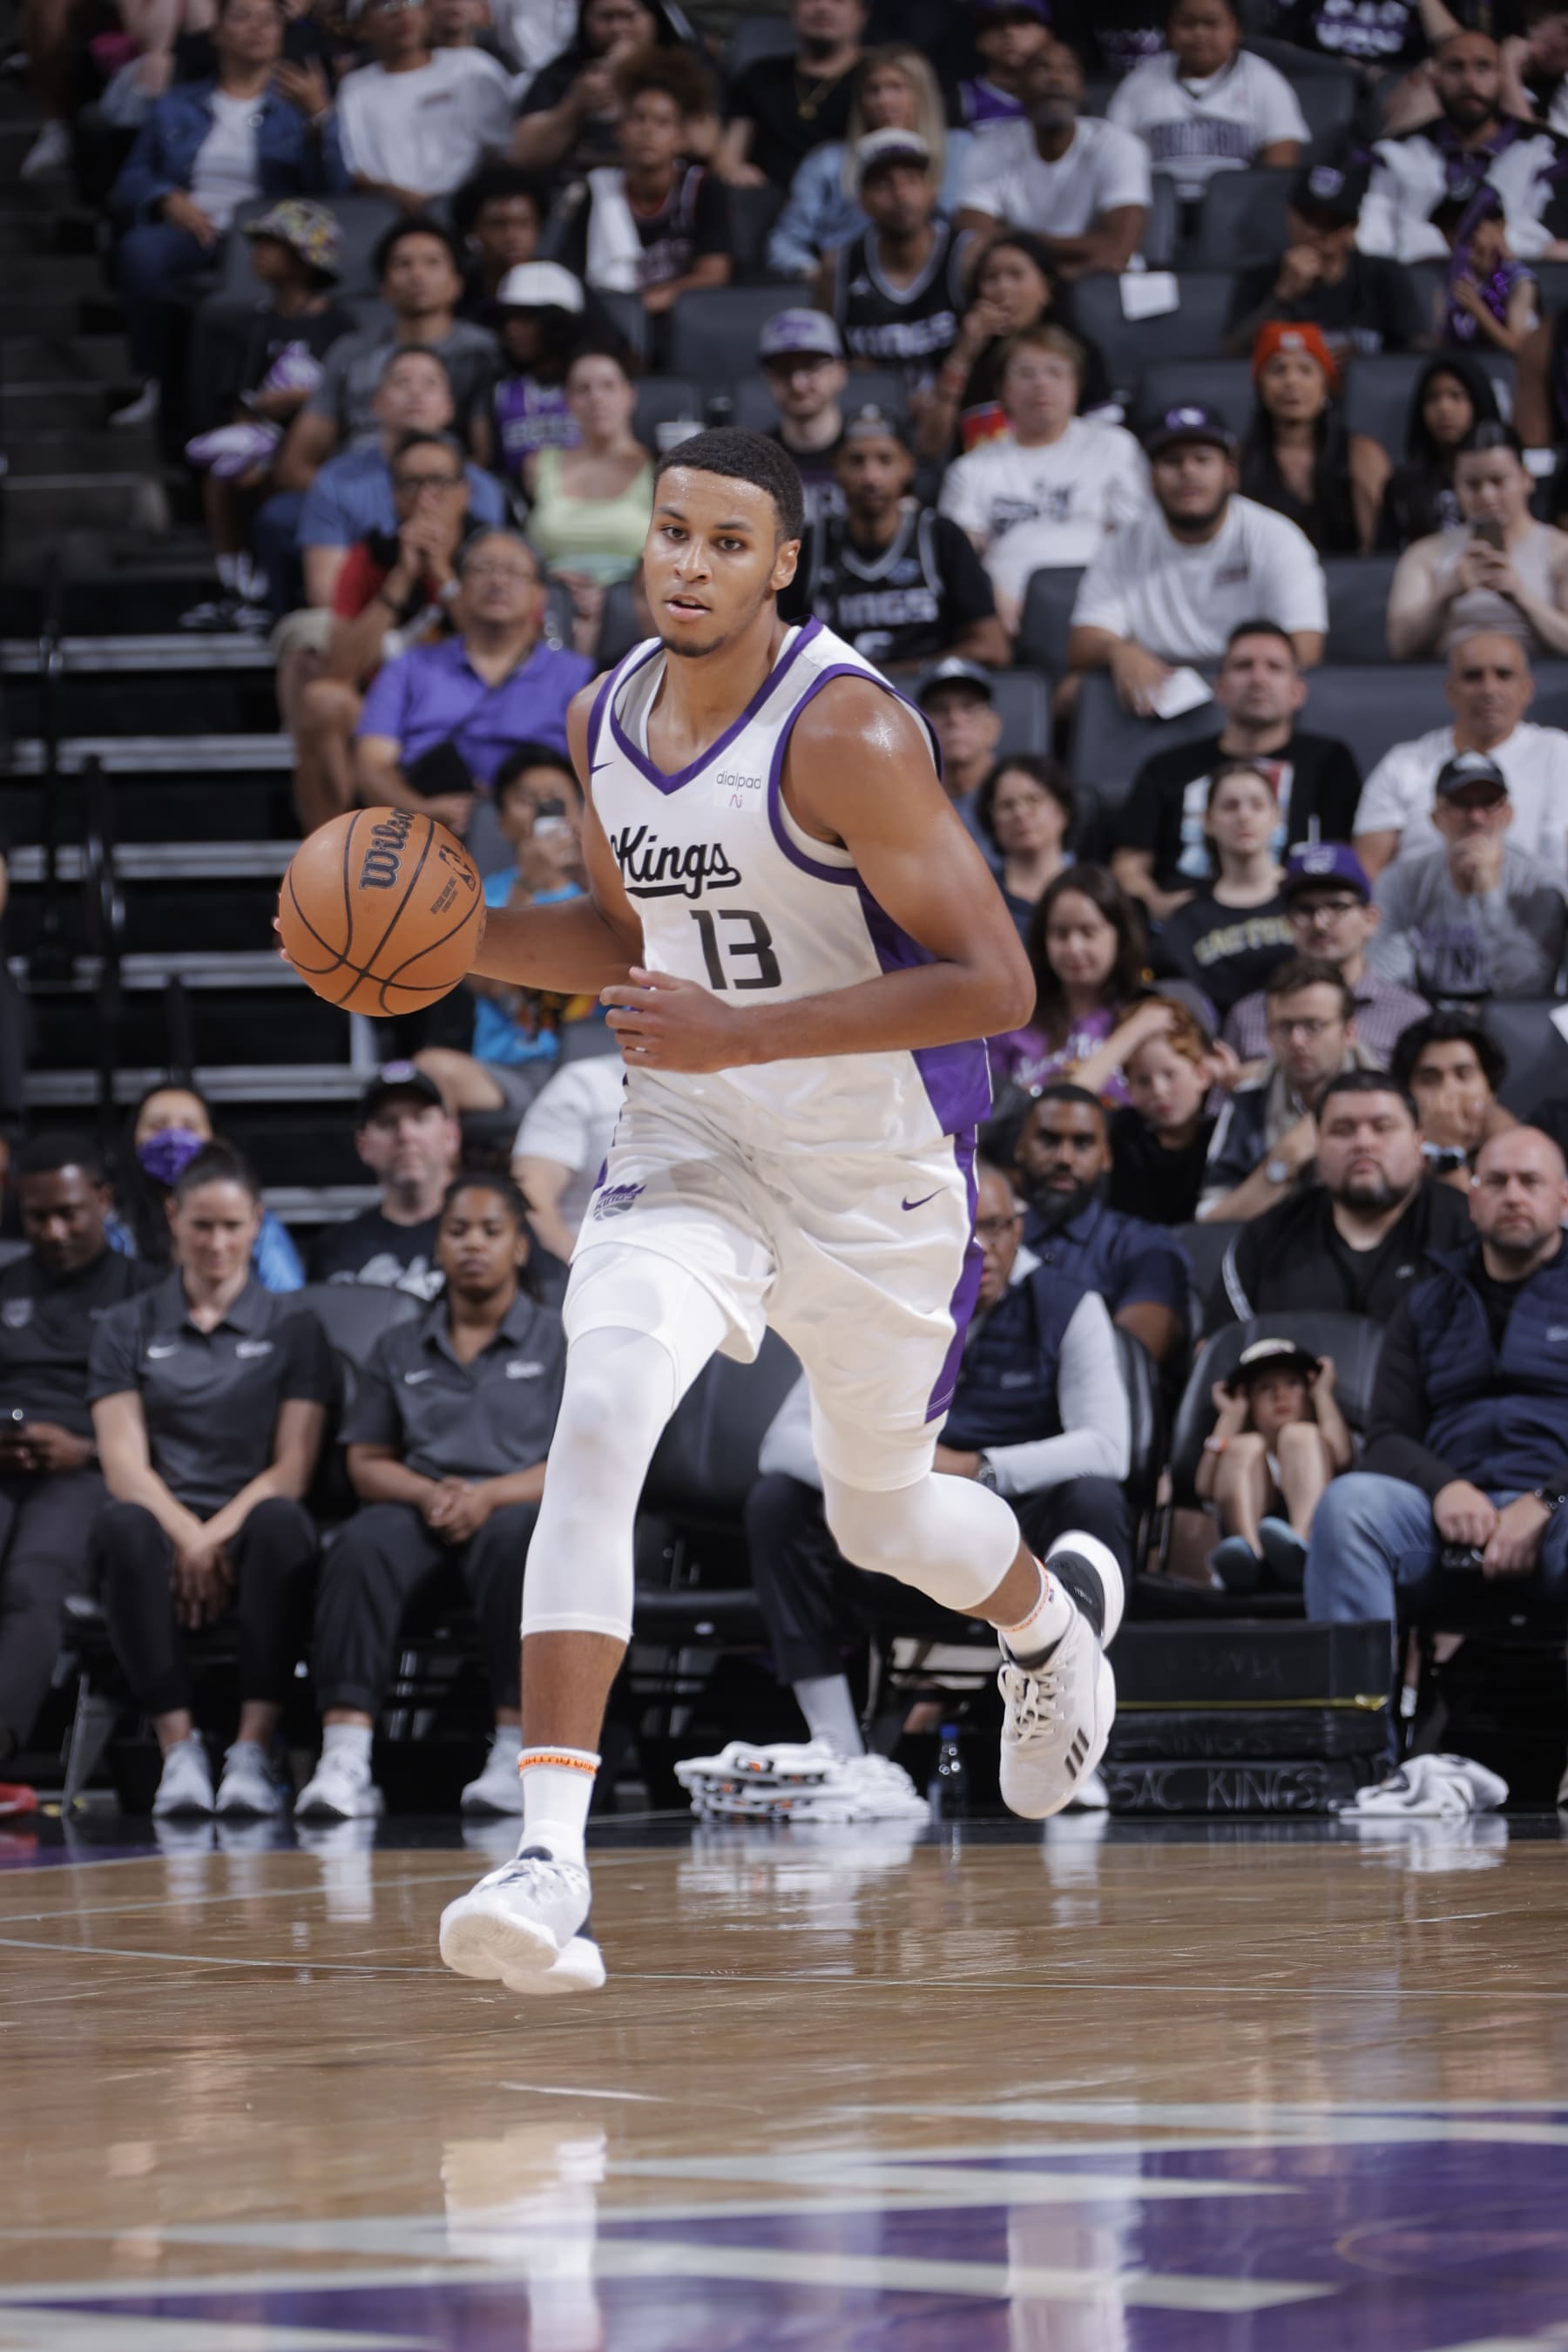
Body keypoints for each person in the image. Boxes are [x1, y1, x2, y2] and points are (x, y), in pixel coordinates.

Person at [429, 424, 1120, 2002]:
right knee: (601, 1409)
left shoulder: (851, 734)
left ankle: (1047, 1624)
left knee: (881, 1519)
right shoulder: (602, 713)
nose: (687, 562)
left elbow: (999, 986)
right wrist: (449, 938)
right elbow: (621, 933)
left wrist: (748, 1030)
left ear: (784, 563)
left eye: (727, 542)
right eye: (670, 532)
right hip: (691, 1145)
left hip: (875, 1179)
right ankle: (548, 1866)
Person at [746, 1159, 1131, 1767]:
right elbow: (781, 1443)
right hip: (898, 1516)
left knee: (1096, 1498)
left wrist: (981, 1469)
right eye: (966, 1229)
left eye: (999, 1227)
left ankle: (1073, 1717)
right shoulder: (882, 1305)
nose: (985, 1247)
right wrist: (901, 1475)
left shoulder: (1068, 1305)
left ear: (1020, 1229)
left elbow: (1108, 1446)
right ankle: (840, 1753)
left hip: (1015, 1519)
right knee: (778, 1503)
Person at [294, 1174, 566, 1821]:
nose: (473, 1244)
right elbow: (365, 1464)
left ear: (520, 1248)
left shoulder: (559, 1340)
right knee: (359, 1544)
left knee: (517, 1540)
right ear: (438, 1247)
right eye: (457, 1230)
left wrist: (489, 1495)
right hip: (424, 1507)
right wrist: (431, 1493)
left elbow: (579, 1466)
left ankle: (513, 1751)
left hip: (513, 1508)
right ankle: (346, 1756)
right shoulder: (398, 1345)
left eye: (491, 1231)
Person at [1304, 1125, 1568, 1765]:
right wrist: (1444, 1486)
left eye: (1530, 1182)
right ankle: (1358, 1760)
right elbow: (1388, 1436)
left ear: (1563, 1199)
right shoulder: (1426, 1302)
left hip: (1561, 1516)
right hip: (1450, 1515)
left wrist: (1546, 1500)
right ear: (1471, 1199)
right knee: (1348, 1507)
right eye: (1496, 1181)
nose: (1513, 1195)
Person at [88, 1145, 332, 1819]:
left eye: (232, 1226)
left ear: (257, 1222)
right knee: (120, 1524)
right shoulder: (124, 1326)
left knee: (285, 1521)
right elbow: (123, 1463)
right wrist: (186, 1536)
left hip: (247, 1524)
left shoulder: (296, 1327)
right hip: (163, 1520)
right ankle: (179, 1751)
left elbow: (292, 1466)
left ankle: (253, 1749)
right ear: (174, 1217)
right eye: (202, 1225)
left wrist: (211, 1539)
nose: (217, 1242)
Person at [0, 1138, 159, 1782]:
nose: (55, 1231)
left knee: (33, 1580)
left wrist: (87, 1447)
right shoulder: (7, 1286)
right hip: (8, 1461)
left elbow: (173, 1414)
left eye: (70, 1213)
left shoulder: (146, 1293)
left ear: (103, 1200)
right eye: (38, 1217)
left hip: (93, 1466)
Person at [109, 0, 347, 429]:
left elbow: (331, 189)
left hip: (264, 233)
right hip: (192, 227)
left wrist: (318, 119)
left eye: (270, 18)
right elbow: (131, 177)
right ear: (216, 33)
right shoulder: (178, 103)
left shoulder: (299, 101)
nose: (259, 27)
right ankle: (156, 383)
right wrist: (166, 197)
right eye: (242, 16)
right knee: (140, 251)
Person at [1068, 407, 1328, 717]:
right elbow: (1083, 641)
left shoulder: (1275, 535)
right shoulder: (1124, 543)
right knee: (1072, 691)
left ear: (1230, 474)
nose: (1187, 472)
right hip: (1156, 683)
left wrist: (1231, 679)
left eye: (1203, 460)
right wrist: (1118, 651)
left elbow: (1305, 647)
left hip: (1245, 684)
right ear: (1150, 478)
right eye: (1172, 462)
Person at [291, 427, 484, 835]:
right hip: (388, 710)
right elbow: (339, 668)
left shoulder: (490, 554)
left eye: (439, 482)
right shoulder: (370, 556)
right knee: (322, 699)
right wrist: (400, 580)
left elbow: (496, 647)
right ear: (394, 496)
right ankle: (333, 861)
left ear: (465, 492)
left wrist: (442, 573)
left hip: (474, 702)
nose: (425, 497)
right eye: (411, 484)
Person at [180, 199, 355, 633]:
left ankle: (271, 587)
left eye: (270, 244)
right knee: (224, 475)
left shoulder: (339, 327)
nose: (256, 254)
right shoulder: (253, 326)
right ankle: (236, 585)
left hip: (319, 449)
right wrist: (253, 427)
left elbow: (351, 399)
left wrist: (306, 399)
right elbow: (241, 401)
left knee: (276, 479)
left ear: (304, 256)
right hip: (263, 440)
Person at [1113, 620, 1362, 923]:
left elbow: (1349, 862)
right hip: (1188, 926)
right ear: (1220, 688)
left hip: (1294, 924)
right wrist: (1163, 909)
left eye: (1274, 667)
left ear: (1298, 692)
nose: (1258, 679)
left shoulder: (1329, 760)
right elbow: (1128, 868)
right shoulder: (1167, 767)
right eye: (1244, 666)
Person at [355, 529, 592, 836]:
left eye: (515, 572)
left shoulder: (579, 676)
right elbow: (372, 764)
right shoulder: (411, 666)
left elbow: (603, 775)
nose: (498, 581)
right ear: (459, 588)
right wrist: (421, 812)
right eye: (483, 569)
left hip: (541, 833)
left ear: (540, 595)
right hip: (426, 829)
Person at [1208, 1066, 1473, 1328]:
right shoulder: (1267, 1238)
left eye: (1382, 1127)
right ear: (1318, 1144)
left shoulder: (1468, 1231)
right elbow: (1219, 1354)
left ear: (1418, 1142)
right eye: (1343, 1130)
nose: (1363, 1143)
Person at [414, 745, 594, 1120]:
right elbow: (489, 985)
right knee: (431, 1068)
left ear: (580, 813)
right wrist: (528, 883)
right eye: (527, 800)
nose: (542, 811)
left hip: (596, 1065)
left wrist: (589, 875)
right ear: (501, 822)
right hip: (510, 1074)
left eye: (556, 800)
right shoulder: (473, 898)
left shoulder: (605, 892)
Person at [936, 327, 1148, 633]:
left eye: (1055, 372)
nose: (1041, 384)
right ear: (1002, 389)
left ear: (1076, 385)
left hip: (1104, 613)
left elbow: (1135, 541)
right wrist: (992, 606)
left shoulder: (1113, 446)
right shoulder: (972, 468)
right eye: (1025, 373)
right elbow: (959, 561)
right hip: (1004, 619)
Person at [273, 220, 499, 500]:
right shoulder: (350, 352)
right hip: (351, 491)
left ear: (457, 284)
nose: (417, 275)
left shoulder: (482, 352)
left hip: (439, 494)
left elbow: (486, 459)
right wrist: (350, 499)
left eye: (432, 262)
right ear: (384, 288)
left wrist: (423, 495)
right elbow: (295, 465)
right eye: (403, 264)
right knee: (280, 517)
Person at [278, 347, 508, 621]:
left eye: (429, 383)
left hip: (457, 615)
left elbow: (494, 586)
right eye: (401, 382)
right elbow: (326, 594)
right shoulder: (335, 480)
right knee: (311, 627)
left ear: (449, 408)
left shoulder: (481, 486)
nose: (416, 393)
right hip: (361, 616)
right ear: (377, 403)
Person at [782, 403, 1008, 669]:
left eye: (885, 460)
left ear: (908, 467)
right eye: (856, 461)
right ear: (836, 468)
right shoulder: (810, 545)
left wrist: (895, 679)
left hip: (926, 699)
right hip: (836, 701)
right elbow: (777, 648)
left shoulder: (940, 537)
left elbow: (993, 648)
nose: (871, 476)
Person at [1352, 632, 1568, 885]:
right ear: (1450, 689)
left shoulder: (1560, 753)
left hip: (1540, 916)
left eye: (1504, 674)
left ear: (1527, 689)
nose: (1489, 689)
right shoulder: (1402, 764)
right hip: (1422, 919)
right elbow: (1365, 877)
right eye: (1473, 676)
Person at [1010, 1085, 1193, 1365]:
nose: (1064, 1158)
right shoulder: (986, 1238)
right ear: (1019, 1147)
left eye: (1082, 1143)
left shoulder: (1147, 1246)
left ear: (1106, 1157)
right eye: (1048, 1140)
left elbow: (1131, 1359)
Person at [1359, 30, 1568, 265]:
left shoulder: (1551, 153)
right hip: (1411, 289)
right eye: (1456, 68)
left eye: (1483, 68)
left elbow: (1551, 240)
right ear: (1435, 77)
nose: (1469, 81)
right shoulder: (1393, 153)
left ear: (1502, 77)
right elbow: (1370, 236)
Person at [1370, 754, 1568, 1000]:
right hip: (1422, 1018)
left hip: (1514, 1021)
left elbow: (1529, 987)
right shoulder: (1400, 881)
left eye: (1489, 803)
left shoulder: (1541, 882)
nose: (1475, 817)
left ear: (1508, 814)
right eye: (1461, 804)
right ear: (1436, 817)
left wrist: (1490, 894)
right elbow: (1379, 977)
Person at [767, 45, 971, 280]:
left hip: (940, 283)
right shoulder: (827, 161)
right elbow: (785, 242)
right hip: (851, 284)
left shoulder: (961, 149)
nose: (884, 100)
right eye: (873, 90)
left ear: (922, 93)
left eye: (897, 87)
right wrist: (820, 279)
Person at [955, 37, 1151, 276]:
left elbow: (1117, 249)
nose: (1056, 79)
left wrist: (1016, 241)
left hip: (1098, 282)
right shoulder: (989, 148)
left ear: (1082, 88)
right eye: (1042, 68)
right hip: (1017, 283)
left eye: (1067, 70)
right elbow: (974, 243)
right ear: (1019, 86)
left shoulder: (1118, 146)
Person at [558, 46, 731, 315]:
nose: (648, 131)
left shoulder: (702, 188)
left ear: (680, 138)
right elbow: (571, 276)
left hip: (681, 321)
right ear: (619, 131)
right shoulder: (598, 191)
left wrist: (641, 305)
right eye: (638, 119)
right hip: (610, 319)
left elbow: (713, 275)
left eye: (662, 122)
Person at [1198, 956, 1373, 1219]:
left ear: (1349, 1032)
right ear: (1268, 1034)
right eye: (1284, 1027)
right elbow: (1210, 1220)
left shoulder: (1389, 1097)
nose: (1297, 1041)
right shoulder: (1250, 1096)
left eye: (1313, 1026)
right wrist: (1283, 1161)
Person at [1224, 842, 1429, 1066]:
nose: (1319, 924)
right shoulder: (1248, 1016)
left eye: (1337, 907)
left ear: (1371, 919)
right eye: (1304, 909)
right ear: (1288, 923)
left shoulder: (1409, 1016)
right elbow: (1225, 1101)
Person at [917, 229, 1113, 462]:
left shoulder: (1080, 352)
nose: (1003, 288)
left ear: (1047, 289)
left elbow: (1107, 438)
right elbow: (931, 446)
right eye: (991, 278)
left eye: (1016, 275)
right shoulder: (960, 354)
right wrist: (963, 352)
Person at [1105, 0, 1308, 217]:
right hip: (1155, 210)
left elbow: (1281, 161)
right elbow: (1113, 153)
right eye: (1187, 23)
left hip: (1235, 210)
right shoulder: (1141, 81)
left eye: (1210, 23)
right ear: (1169, 29)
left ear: (1236, 29)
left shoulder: (1264, 79)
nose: (1198, 33)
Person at [1388, 421, 1568, 664]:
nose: (1486, 495)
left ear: (1527, 479)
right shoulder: (1424, 554)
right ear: (1456, 485)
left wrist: (1522, 597)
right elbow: (1400, 646)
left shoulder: (1560, 551)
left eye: (1498, 481)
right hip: (1445, 685)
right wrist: (1447, 593)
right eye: (1472, 484)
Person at [990, 864, 1171, 1105]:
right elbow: (992, 1113)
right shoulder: (1013, 1020)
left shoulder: (1150, 1013)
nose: (1074, 948)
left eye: (1088, 932)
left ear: (1120, 935)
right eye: (1061, 933)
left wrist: (1137, 1028)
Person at [1222, 155, 1429, 364]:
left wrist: (1365, 363)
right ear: (1290, 215)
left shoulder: (1383, 276)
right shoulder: (1260, 278)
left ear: (1352, 228)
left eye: (1331, 223)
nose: (1314, 233)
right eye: (1308, 217)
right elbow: (1231, 355)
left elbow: (1416, 355)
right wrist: (1280, 297)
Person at [821, 130, 976, 404]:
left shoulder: (966, 256)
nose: (900, 194)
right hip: (868, 420)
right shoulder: (837, 267)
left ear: (932, 191)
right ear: (862, 200)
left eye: (912, 181)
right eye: (883, 184)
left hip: (955, 412)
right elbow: (820, 359)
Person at [110, 1082, 305, 1290]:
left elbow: (288, 1297)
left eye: (189, 1127)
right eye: (158, 1127)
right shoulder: (114, 1224)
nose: (174, 1137)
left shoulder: (257, 1223)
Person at [523, 348, 654, 654]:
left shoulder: (661, 466)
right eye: (583, 389)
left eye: (608, 386)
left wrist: (612, 593)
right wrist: (545, 576)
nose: (596, 398)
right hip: (553, 599)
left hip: (635, 602)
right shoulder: (537, 465)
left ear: (629, 394)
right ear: (568, 400)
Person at [1197, 1336, 1351, 1588]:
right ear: (1249, 1400)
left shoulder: (1315, 1438)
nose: (1281, 1395)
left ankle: (1299, 1547)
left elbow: (1343, 1456)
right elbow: (1204, 1487)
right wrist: (1231, 1414)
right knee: (1245, 1446)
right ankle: (1249, 1556)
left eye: (1292, 1383)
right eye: (1265, 1388)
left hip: (1317, 1556)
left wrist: (1322, 1393)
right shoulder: (1243, 1443)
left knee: (1299, 1435)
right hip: (1252, 1557)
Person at [334, 0, 511, 206]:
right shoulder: (354, 88)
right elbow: (354, 167)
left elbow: (504, 151)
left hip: (471, 209)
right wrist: (397, 195)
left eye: (412, 0)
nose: (401, 12)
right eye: (384, 4)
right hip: (389, 215)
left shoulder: (473, 66)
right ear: (359, 27)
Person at [1154, 761, 1294, 1018]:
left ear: (1276, 816)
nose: (1244, 816)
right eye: (1230, 806)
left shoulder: (1305, 898)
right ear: (1208, 821)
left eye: (1257, 805)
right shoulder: (1188, 920)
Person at [308, 1064, 461, 1295]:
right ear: (363, 1145)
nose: (405, 1135)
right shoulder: (334, 1248)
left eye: (420, 1118)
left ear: (451, 1135)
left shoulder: (491, 1233)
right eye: (387, 1123)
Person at [1239, 321, 1387, 557]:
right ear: (1259, 386)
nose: (1292, 382)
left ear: (1326, 386)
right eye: (1278, 370)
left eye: (1306, 370)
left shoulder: (1361, 454)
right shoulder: (1239, 460)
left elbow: (1377, 549)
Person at [716, 0, 867, 192]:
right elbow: (729, 155)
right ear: (792, 11)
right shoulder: (760, 75)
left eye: (838, 1)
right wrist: (734, 171)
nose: (823, 7)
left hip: (851, 200)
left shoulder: (878, 79)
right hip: (769, 204)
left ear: (860, 14)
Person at [510, 0, 667, 179]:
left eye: (629, 16)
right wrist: (574, 105)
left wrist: (635, 73)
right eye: (606, 17)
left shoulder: (683, 67)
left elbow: (702, 139)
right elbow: (523, 155)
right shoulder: (561, 73)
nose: (617, 28)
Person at [1107, 997, 1221, 1227]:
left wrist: (1237, 1080)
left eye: (1170, 1074)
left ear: (1203, 1074)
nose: (1158, 1091)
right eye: (1143, 1081)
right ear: (1128, 1087)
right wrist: (1134, 1031)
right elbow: (1069, 1096)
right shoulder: (1122, 1132)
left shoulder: (1223, 1134)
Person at [1375, 353, 1500, 553]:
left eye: (1456, 396)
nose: (1443, 408)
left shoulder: (1504, 480)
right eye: (1432, 398)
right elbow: (1382, 560)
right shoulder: (1401, 485)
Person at [511, 1053, 628, 1264]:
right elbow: (531, 1194)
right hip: (595, 1262)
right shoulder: (585, 1083)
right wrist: (582, 1268)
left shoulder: (706, 1091)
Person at [479, 262, 589, 486]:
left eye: (526, 318)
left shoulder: (595, 387)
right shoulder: (500, 392)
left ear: (560, 323)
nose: (511, 330)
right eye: (507, 319)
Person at [1391, 1005, 1518, 1185]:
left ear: (1490, 1088)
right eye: (1429, 1079)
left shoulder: (1521, 1146)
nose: (1449, 1090)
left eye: (1464, 1075)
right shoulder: (1393, 1162)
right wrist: (1445, 1152)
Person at [756, 308, 848, 531]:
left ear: (840, 372)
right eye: (783, 370)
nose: (797, 384)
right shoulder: (757, 460)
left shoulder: (871, 452)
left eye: (810, 366)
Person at [972, 754, 1075, 937]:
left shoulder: (1096, 891)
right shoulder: (977, 901)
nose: (1020, 813)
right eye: (1006, 805)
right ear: (991, 822)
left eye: (1033, 799)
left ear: (1063, 810)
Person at [1440, 185, 1538, 356]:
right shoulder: (1449, 278)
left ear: (1499, 226)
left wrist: (1476, 308)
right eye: (1455, 228)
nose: (1461, 237)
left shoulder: (1519, 281)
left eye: (1473, 228)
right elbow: (1438, 344)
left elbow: (1519, 348)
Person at [451, 163, 546, 314]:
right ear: (472, 232)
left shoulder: (564, 285)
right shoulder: (455, 292)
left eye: (523, 224)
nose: (512, 236)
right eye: (498, 225)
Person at [957, 0, 1052, 130]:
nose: (1009, 31)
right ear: (979, 39)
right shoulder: (959, 100)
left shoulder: (1067, 93)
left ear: (1046, 35)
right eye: (995, 23)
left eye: (1022, 21)